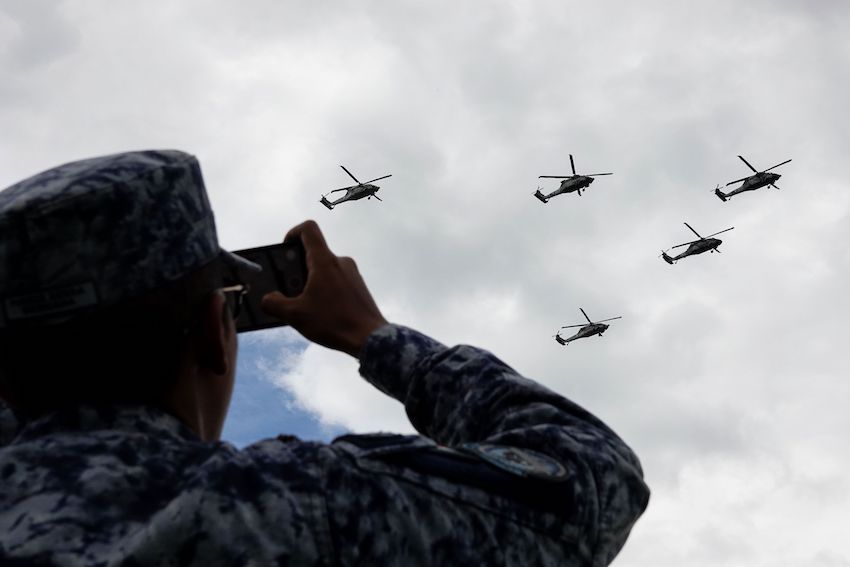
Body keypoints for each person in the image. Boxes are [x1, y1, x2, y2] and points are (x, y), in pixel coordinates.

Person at [0, 150, 649, 565]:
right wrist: (375, 335)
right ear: (213, 330)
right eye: (229, 304)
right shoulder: (288, 506)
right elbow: (595, 480)